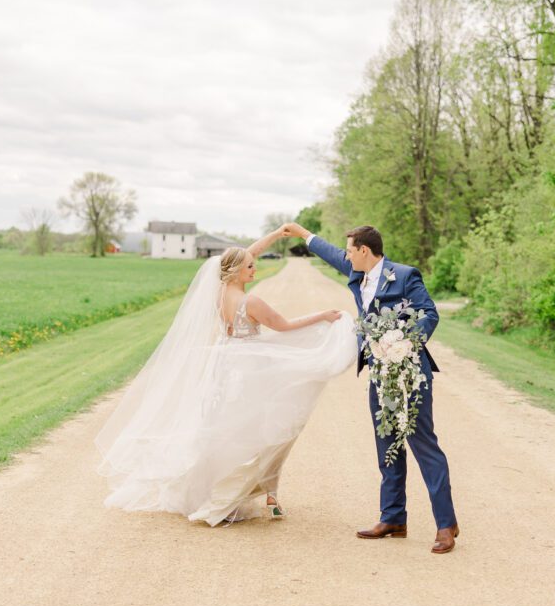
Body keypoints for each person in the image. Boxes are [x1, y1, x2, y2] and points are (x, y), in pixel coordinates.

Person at [94, 227, 356, 526]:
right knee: (266, 431)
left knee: (224, 430)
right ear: (235, 271)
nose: (255, 267)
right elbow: (283, 326)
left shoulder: (217, 293)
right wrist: (323, 315)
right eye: (250, 266)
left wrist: (275, 235)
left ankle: (237, 491)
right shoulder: (251, 302)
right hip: (249, 371)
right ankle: (262, 494)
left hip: (224, 367)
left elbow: (246, 254)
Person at [283, 222, 459, 554]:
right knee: (387, 443)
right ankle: (393, 517)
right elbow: (333, 254)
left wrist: (404, 343)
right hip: (379, 372)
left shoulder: (405, 275)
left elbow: (429, 314)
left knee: (423, 444)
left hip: (409, 371)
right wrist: (304, 234)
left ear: (364, 250)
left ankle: (446, 524)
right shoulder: (357, 273)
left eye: (350, 250)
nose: (346, 256)